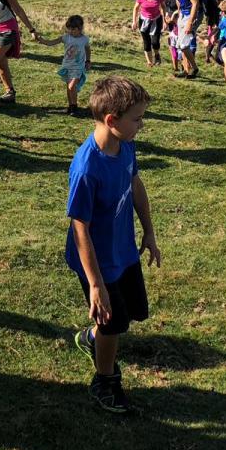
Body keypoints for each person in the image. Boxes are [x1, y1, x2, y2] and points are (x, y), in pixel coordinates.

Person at [66, 76, 161, 414]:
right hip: (98, 262)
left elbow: (135, 184)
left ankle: (93, 339)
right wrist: (95, 284)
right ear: (111, 120)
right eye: (137, 118)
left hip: (123, 252)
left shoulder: (125, 145)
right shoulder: (87, 168)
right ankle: (104, 381)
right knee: (113, 322)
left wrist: (148, 231)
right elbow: (81, 230)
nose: (141, 124)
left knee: (132, 313)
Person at [0, 0, 42, 109]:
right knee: (1, 63)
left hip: (7, 30)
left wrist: (31, 29)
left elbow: (18, 9)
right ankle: (10, 93)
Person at [35, 15, 91, 115]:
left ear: (80, 28)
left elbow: (87, 49)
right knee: (69, 88)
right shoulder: (66, 37)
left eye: (73, 29)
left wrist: (88, 61)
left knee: (71, 86)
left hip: (78, 67)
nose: (70, 31)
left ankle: (74, 107)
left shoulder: (84, 39)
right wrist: (41, 40)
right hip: (67, 66)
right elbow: (51, 42)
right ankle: (71, 106)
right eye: (68, 28)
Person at [156, 0, 200, 80]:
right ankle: (187, 70)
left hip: (191, 15)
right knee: (181, 45)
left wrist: (190, 22)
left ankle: (193, 69)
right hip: (182, 15)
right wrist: (178, 14)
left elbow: (195, 3)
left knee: (183, 45)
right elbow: (178, 0)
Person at [130, 0, 165, 68]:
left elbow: (163, 7)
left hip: (156, 20)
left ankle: (157, 55)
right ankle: (149, 62)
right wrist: (134, 21)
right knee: (147, 42)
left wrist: (165, 20)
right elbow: (136, 8)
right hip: (144, 20)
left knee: (155, 42)